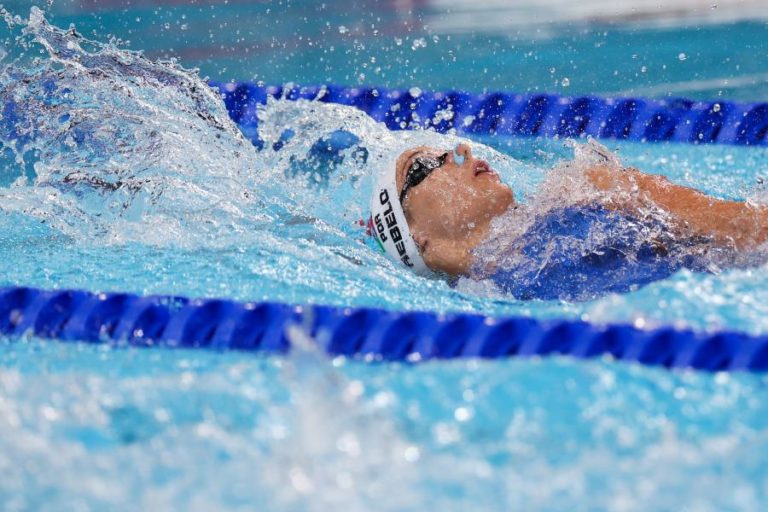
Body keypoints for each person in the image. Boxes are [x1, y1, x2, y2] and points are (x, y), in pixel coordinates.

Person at [368, 141, 768, 301]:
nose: (459, 149)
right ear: (418, 239)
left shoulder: (579, 196)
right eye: (422, 166)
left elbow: (745, 230)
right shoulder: (494, 289)